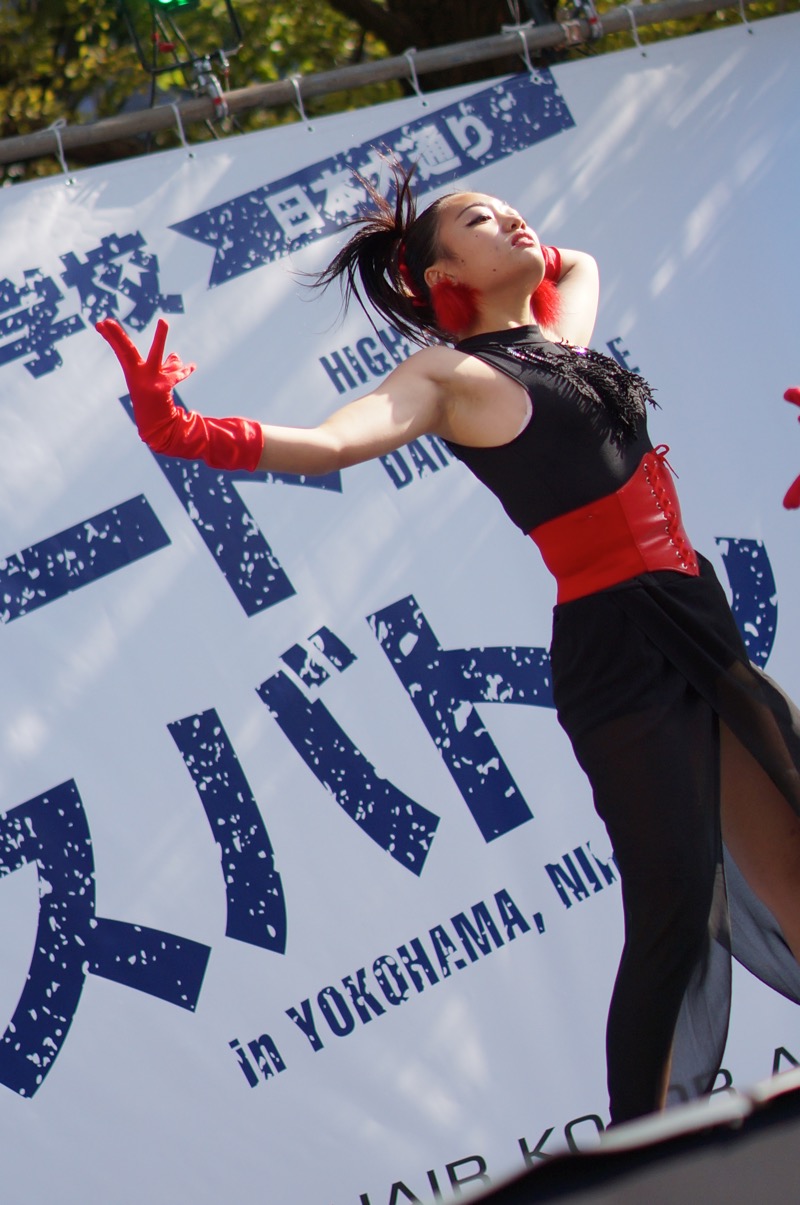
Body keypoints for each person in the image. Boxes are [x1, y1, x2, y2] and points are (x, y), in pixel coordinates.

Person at [97, 165, 800, 1126]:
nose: (512, 218)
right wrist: (188, 431)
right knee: (675, 905)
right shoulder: (452, 378)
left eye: (512, 210)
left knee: (790, 845)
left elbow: (580, 264)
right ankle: (647, 1147)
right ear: (441, 276)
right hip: (621, 648)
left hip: (695, 617)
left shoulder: (559, 343)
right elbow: (335, 443)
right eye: (478, 219)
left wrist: (516, 258)